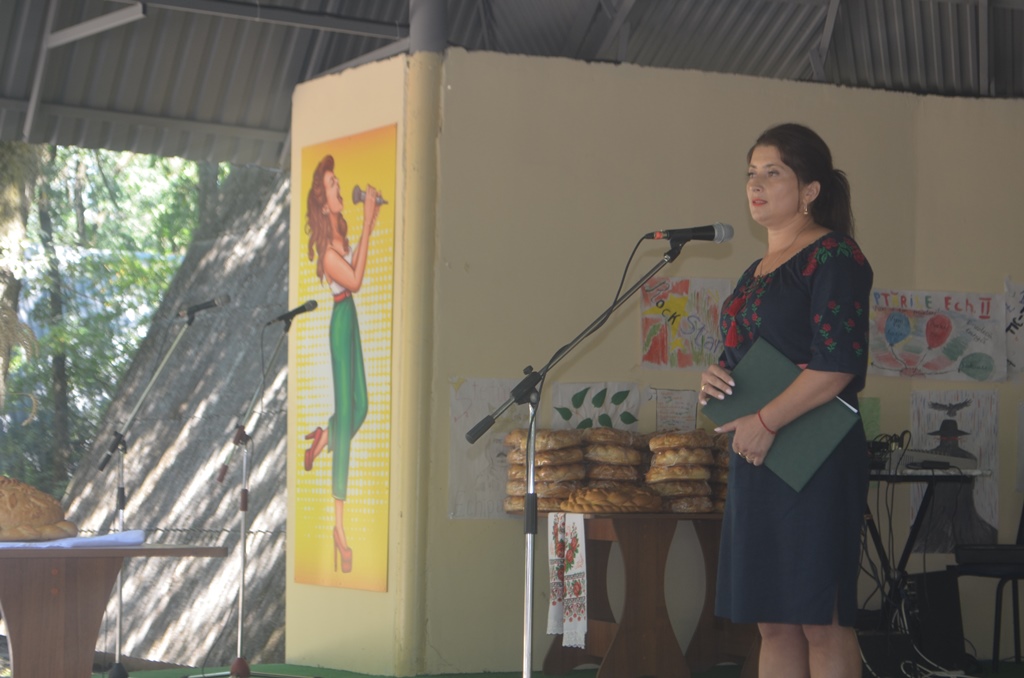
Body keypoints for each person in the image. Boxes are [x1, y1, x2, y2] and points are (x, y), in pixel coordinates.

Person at [699, 123, 873, 677]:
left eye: (773, 173)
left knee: (821, 618)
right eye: (752, 173)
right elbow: (753, 355)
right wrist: (717, 378)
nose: (756, 184)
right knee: (772, 621)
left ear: (810, 189)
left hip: (814, 455)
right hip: (758, 454)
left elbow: (837, 365)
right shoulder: (753, 272)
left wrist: (766, 420)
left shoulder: (834, 255)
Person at [303, 154, 380, 574]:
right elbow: (355, 280)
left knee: (361, 406)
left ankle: (324, 437)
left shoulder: (339, 235)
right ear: (323, 201)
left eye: (336, 184)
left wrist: (366, 223)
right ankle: (339, 530)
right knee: (349, 412)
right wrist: (368, 224)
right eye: (333, 186)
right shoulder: (327, 252)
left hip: (350, 318)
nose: (339, 189)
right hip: (340, 320)